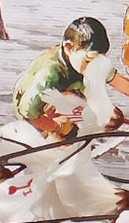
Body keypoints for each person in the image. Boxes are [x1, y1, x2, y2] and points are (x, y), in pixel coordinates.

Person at [9, 15, 109, 144]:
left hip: (59, 99)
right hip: (32, 111)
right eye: (89, 60)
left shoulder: (77, 61)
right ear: (68, 47)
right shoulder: (49, 74)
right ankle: (55, 137)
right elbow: (28, 111)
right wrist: (57, 127)